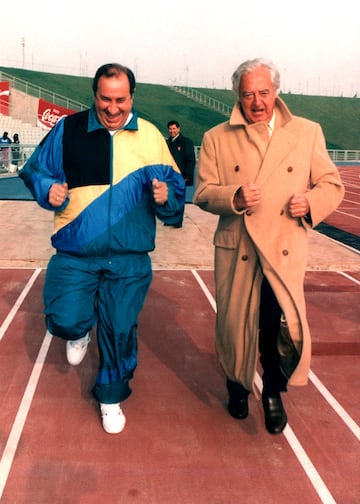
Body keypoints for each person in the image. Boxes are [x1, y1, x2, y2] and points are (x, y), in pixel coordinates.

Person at [19, 63, 186, 434]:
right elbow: (34, 170)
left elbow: (176, 196)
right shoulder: (69, 129)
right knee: (63, 318)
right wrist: (47, 189)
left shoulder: (151, 137)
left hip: (129, 255)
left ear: (132, 96)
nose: (113, 108)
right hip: (76, 253)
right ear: (94, 95)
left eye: (121, 100)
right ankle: (79, 330)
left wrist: (166, 197)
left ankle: (110, 397)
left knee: (120, 328)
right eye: (105, 99)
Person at [193, 58, 344, 435]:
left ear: (276, 91)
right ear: (237, 96)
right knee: (234, 324)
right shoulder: (216, 138)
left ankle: (273, 392)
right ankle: (238, 386)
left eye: (263, 92)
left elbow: (331, 184)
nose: (257, 102)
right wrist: (234, 198)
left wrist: (310, 203)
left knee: (276, 325)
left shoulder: (307, 132)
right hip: (238, 246)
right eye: (248, 94)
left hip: (283, 247)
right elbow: (203, 194)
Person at [165, 120, 196, 227]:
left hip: (181, 177)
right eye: (170, 129)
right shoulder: (167, 143)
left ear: (178, 129)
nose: (172, 131)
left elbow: (190, 160)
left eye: (174, 128)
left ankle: (177, 221)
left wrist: (187, 177)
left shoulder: (186, 142)